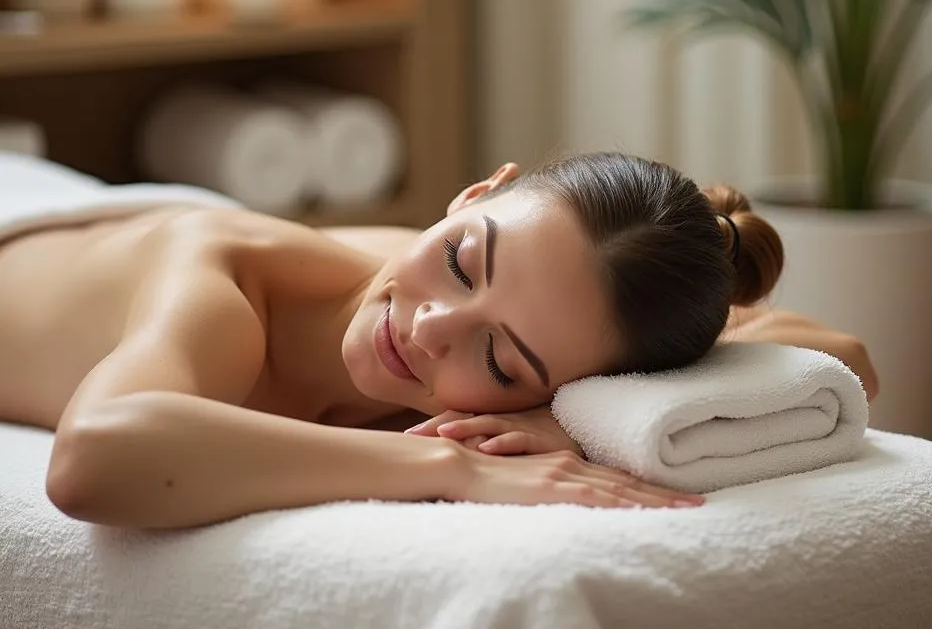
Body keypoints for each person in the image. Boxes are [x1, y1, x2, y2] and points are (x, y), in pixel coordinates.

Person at [0, 151, 878, 530]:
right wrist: (458, 470)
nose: (428, 329)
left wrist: (577, 421)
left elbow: (840, 355)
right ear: (474, 193)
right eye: (462, 261)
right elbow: (93, 461)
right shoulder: (224, 283)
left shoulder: (557, 331)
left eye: (501, 359)